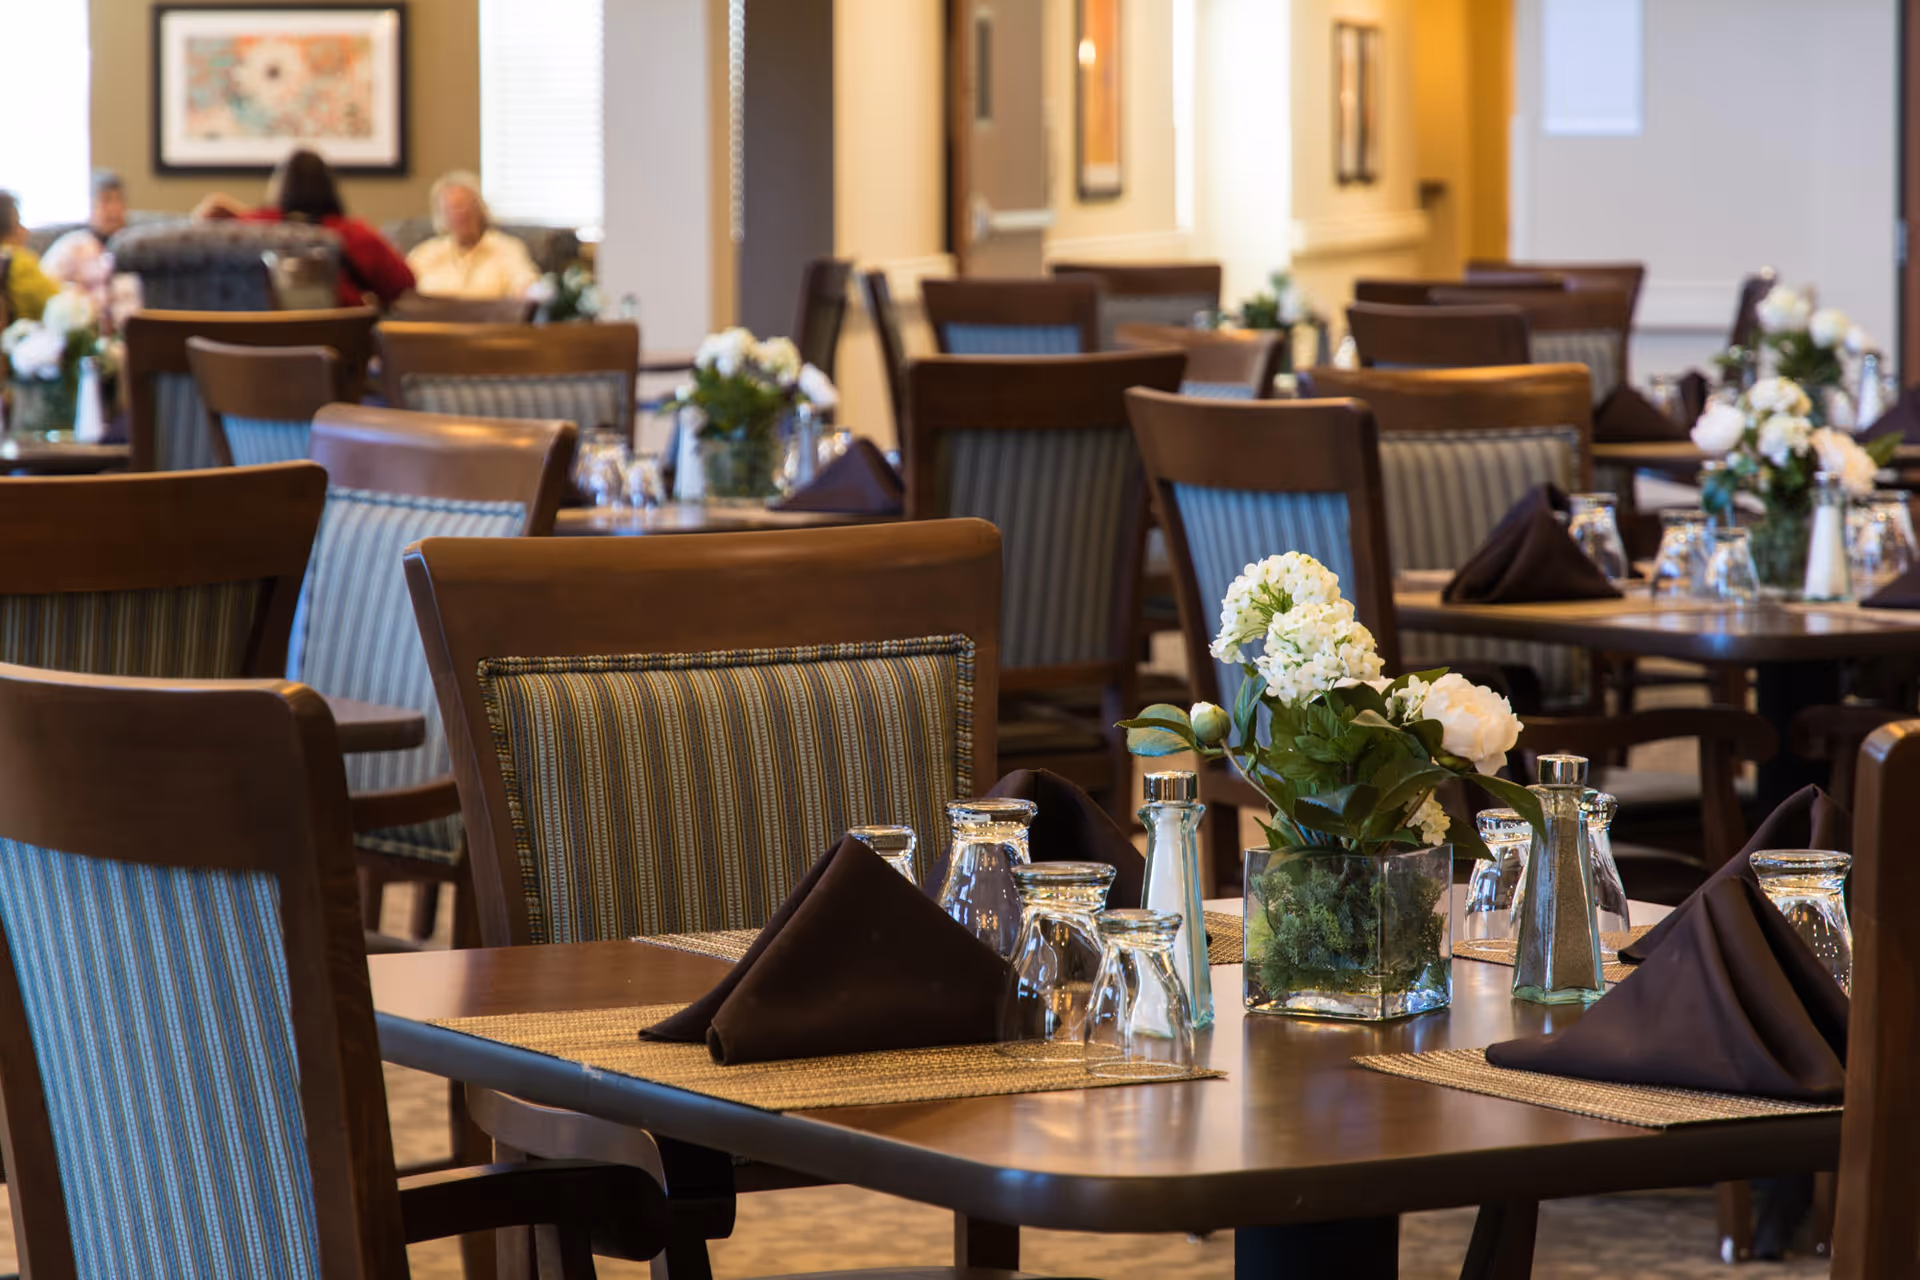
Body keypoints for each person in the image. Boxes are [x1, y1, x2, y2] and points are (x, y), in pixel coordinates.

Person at [194, 148, 414, 308]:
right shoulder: (355, 235)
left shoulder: (249, 228)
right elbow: (403, 286)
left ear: (279, 187)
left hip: (245, 350)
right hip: (336, 351)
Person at [405, 172, 541, 300]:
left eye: (466, 206)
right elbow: (401, 292)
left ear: (480, 210)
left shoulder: (507, 248)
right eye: (452, 208)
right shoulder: (423, 254)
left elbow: (527, 286)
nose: (460, 214)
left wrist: (526, 293)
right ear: (441, 216)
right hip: (431, 322)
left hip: (490, 323)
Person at [40, 170, 127, 288]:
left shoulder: (133, 248)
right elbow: (44, 284)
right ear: (91, 207)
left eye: (119, 200)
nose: (114, 208)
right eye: (106, 200)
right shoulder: (73, 245)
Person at [0, 191, 59, 323]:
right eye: (19, 222)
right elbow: (55, 303)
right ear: (12, 226)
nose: (26, 231)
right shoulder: (19, 262)